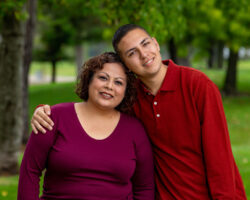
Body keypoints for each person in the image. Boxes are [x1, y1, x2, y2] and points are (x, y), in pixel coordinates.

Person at [31, 24, 247, 199]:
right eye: (132, 53)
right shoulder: (130, 97)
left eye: (145, 44)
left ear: (156, 43)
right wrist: (45, 112)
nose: (144, 55)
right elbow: (93, 109)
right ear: (125, 64)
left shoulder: (197, 85)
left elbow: (219, 157)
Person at [18, 52, 155, 200]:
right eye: (103, 78)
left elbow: (144, 188)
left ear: (126, 91)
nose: (109, 86)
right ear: (89, 80)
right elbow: (30, 171)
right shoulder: (53, 117)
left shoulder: (134, 130)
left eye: (118, 82)